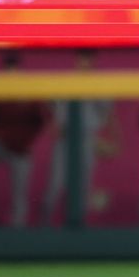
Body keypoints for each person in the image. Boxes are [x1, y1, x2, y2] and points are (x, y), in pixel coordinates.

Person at [40, 49, 119, 225]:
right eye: (82, 59)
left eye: (88, 59)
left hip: (86, 139)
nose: (84, 63)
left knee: (83, 186)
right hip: (65, 139)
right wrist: (53, 123)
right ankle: (43, 227)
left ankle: (78, 227)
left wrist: (111, 138)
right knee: (55, 185)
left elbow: (109, 113)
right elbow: (48, 103)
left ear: (92, 62)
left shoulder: (99, 85)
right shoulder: (65, 82)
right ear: (76, 61)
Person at [0, 52, 49, 227]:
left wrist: (26, 141)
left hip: (21, 149)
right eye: (8, 68)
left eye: (13, 68)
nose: (10, 72)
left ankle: (18, 231)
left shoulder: (29, 91)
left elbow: (40, 121)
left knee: (20, 196)